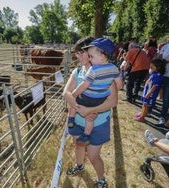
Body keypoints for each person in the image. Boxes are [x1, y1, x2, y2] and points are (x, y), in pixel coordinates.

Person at [62, 37, 119, 187]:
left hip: (99, 122)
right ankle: (79, 165)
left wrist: (90, 110)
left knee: (93, 156)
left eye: (81, 53)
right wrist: (83, 111)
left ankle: (101, 179)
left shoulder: (105, 73)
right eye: (76, 53)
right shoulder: (77, 71)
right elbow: (66, 93)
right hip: (79, 121)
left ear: (91, 53)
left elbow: (112, 102)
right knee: (78, 145)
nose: (78, 57)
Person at [67, 37, 122, 145]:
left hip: (98, 119)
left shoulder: (93, 70)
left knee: (76, 99)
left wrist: (74, 95)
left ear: (102, 56)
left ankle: (71, 119)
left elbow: (84, 85)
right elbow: (119, 85)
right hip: (99, 101)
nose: (77, 56)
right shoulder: (113, 69)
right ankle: (86, 135)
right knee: (89, 120)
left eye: (90, 56)